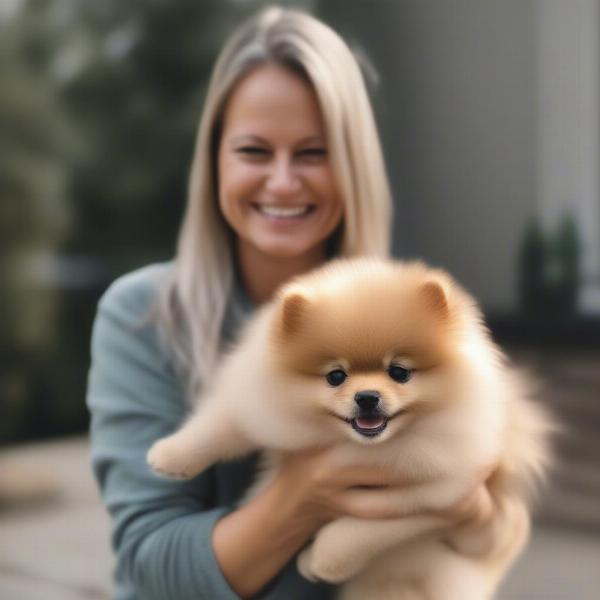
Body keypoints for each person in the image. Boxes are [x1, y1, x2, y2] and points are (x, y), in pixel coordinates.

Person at [87, 7, 492, 600]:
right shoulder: (143, 315)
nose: (282, 183)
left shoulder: (413, 320)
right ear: (215, 161)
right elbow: (152, 563)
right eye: (254, 150)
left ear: (354, 163)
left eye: (313, 152)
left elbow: (478, 527)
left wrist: (472, 506)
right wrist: (303, 496)